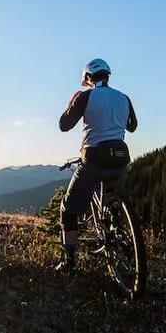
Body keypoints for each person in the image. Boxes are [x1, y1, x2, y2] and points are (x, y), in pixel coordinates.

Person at [57, 58, 137, 272]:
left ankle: (69, 262)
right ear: (107, 75)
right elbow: (133, 127)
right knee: (109, 191)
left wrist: (71, 104)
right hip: (120, 158)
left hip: (93, 158)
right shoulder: (124, 98)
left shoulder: (86, 96)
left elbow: (64, 125)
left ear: (89, 78)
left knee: (68, 209)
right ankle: (114, 226)